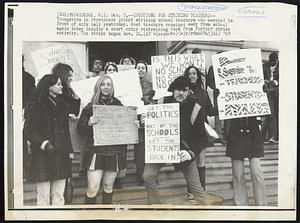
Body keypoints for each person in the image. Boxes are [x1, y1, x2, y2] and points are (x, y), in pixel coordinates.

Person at [143, 76, 223, 205]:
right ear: (173, 90)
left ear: (188, 91)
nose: (181, 93)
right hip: (161, 148)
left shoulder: (195, 107)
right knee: (148, 176)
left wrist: (190, 153)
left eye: (184, 90)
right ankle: (155, 208)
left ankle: (210, 215)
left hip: (183, 151)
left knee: (197, 189)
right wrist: (144, 121)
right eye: (178, 90)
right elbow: (151, 125)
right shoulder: (161, 102)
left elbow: (201, 137)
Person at [77, 75, 130, 204]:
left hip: (114, 152)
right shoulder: (90, 107)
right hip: (96, 152)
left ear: (112, 87)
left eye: (108, 84)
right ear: (98, 86)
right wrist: (88, 123)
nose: (106, 87)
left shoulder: (118, 105)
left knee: (108, 187)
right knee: (93, 188)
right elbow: (80, 130)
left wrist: (133, 123)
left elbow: (125, 126)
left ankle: (105, 216)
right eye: (103, 84)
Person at [26, 74, 74, 205]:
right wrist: (44, 144)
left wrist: (69, 150)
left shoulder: (62, 104)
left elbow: (66, 131)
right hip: (43, 156)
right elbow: (29, 131)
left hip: (61, 154)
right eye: (58, 84)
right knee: (43, 196)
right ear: (48, 86)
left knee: (59, 195)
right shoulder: (35, 104)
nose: (61, 86)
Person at [184, 65, 219, 203]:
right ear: (187, 76)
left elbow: (210, 111)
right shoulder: (184, 91)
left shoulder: (204, 93)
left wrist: (222, 103)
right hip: (188, 132)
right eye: (189, 73)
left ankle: (201, 190)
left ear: (198, 76)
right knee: (189, 161)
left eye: (194, 73)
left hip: (202, 131)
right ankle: (190, 192)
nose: (192, 75)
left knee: (200, 161)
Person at [225, 116, 266, 206]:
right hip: (235, 135)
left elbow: (265, 111)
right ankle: (241, 206)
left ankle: (261, 205)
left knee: (256, 172)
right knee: (238, 174)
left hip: (253, 135)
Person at [104, 61, 126, 189]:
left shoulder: (123, 85)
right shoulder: (102, 87)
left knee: (119, 152)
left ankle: (118, 178)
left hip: (118, 123)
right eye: (109, 70)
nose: (111, 72)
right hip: (105, 126)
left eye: (113, 70)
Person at [134, 60, 156, 186]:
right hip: (135, 122)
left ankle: (151, 176)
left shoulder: (151, 85)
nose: (141, 70)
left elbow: (154, 103)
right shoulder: (130, 84)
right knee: (139, 152)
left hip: (148, 121)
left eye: (143, 68)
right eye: (139, 68)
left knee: (149, 150)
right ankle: (140, 176)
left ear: (146, 71)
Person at [206, 53, 227, 145]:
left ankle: (227, 134)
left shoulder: (227, 66)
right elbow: (210, 81)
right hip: (218, 93)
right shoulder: (212, 68)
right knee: (218, 114)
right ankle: (219, 135)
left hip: (228, 92)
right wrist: (218, 87)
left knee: (228, 113)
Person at [22, 55, 36, 180]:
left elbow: (33, 98)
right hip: (25, 113)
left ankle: (26, 172)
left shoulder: (28, 78)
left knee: (25, 143)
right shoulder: (29, 78)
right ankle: (26, 172)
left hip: (25, 114)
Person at [262, 52, 279, 143]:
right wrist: (264, 80)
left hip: (277, 93)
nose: (272, 64)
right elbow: (260, 76)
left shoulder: (282, 66)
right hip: (268, 92)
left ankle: (273, 135)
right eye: (271, 62)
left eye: (274, 62)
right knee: (269, 114)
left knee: (275, 114)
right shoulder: (264, 66)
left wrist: (276, 82)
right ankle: (269, 135)